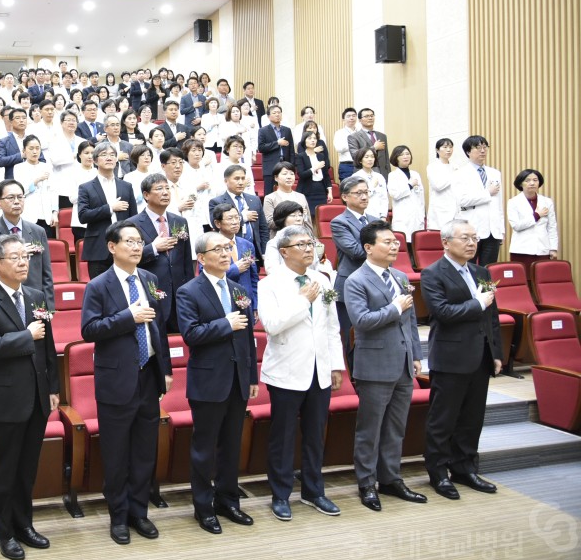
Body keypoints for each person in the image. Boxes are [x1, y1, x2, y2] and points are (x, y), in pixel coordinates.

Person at [81, 221, 172, 545]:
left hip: (148, 377)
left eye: (139, 241)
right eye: (129, 241)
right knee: (117, 454)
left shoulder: (149, 279)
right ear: (111, 247)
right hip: (116, 381)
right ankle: (118, 517)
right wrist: (126, 318)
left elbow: (157, 327)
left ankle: (139, 513)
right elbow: (89, 330)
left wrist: (165, 369)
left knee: (144, 452)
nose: (136, 247)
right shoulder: (99, 285)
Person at [0, 234, 59, 560]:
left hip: (37, 396)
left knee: (27, 468)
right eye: (16, 258)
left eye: (26, 257)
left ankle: (25, 525)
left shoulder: (36, 296)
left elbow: (48, 346)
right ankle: (4, 533)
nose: (24, 263)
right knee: (4, 470)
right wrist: (26, 335)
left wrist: (53, 389)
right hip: (7, 400)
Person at [258, 225, 345, 521]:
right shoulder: (270, 284)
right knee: (282, 437)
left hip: (319, 369)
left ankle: (313, 491)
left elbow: (332, 327)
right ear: (284, 252)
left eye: (311, 243)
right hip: (286, 370)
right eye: (302, 245)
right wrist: (302, 300)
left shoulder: (322, 279)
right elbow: (272, 324)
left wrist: (335, 365)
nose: (309, 249)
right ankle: (280, 495)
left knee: (314, 434)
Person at [177, 231, 258, 534]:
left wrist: (251, 376)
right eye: (218, 249)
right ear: (201, 258)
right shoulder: (189, 291)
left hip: (238, 380)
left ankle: (228, 500)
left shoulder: (238, 289)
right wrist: (225, 323)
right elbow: (191, 335)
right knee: (204, 448)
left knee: (231, 445)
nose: (226, 253)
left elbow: (248, 336)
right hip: (209, 381)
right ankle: (203, 506)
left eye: (228, 248)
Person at [344, 221, 428, 511]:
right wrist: (394, 309)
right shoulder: (356, 280)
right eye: (387, 242)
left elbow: (412, 321)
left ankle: (391, 479)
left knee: (396, 427)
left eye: (396, 242)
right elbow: (361, 321)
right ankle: (366, 483)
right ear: (368, 247)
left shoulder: (402, 276)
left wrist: (416, 354)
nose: (395, 246)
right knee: (370, 428)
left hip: (403, 362)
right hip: (375, 364)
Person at [420, 220, 503, 500]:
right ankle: (439, 472)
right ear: (446, 242)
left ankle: (465, 467)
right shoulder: (433, 274)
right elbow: (442, 312)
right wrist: (478, 302)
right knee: (443, 419)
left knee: (472, 418)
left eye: (475, 238)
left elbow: (492, 316)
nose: (471, 243)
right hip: (451, 357)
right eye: (464, 238)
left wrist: (497, 353)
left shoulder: (482, 271)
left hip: (480, 356)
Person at [0, 180, 55, 308]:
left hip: (33, 301)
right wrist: (8, 256)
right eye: (11, 197)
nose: (16, 201)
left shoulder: (38, 231)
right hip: (0, 303)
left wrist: (48, 307)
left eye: (20, 197)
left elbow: (46, 274)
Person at [129, 173, 194, 333]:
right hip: (151, 295)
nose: (165, 192)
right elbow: (128, 260)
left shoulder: (179, 221)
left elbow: (186, 261)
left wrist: (190, 292)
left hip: (179, 296)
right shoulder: (132, 224)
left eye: (167, 188)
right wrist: (153, 249)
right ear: (146, 195)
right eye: (159, 189)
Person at [331, 177, 379, 366]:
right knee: (351, 336)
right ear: (344, 196)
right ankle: (354, 375)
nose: (364, 197)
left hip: (375, 283)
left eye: (366, 192)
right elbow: (356, 251)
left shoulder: (376, 221)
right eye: (358, 193)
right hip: (350, 283)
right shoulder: (339, 222)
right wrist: (379, 249)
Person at [77, 142, 138, 278]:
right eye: (104, 155)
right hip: (98, 248)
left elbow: (133, 218)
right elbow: (83, 215)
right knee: (100, 293)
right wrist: (110, 208)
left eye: (112, 155)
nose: (109, 158)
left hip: (124, 246)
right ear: (95, 160)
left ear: (117, 159)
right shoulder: (86, 187)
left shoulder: (126, 186)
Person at [454, 135, 504, 266]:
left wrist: (501, 230)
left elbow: (499, 204)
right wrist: (487, 193)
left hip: (493, 231)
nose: (483, 150)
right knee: (468, 267)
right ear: (468, 152)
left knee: (488, 270)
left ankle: (486, 288)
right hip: (472, 228)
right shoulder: (460, 173)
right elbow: (463, 200)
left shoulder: (495, 173)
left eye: (485, 147)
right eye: (478, 147)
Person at [208, 165, 268, 263]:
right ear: (226, 181)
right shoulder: (217, 202)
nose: (240, 182)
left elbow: (263, 228)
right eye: (236, 179)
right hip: (230, 252)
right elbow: (216, 225)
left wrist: (264, 251)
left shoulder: (255, 200)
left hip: (254, 252)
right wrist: (242, 217)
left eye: (243, 178)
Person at [208, 204, 259, 312]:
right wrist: (235, 269)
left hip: (246, 302)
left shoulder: (247, 245)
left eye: (237, 217)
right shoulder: (209, 246)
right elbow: (208, 276)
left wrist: (255, 306)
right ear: (218, 223)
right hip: (223, 302)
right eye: (230, 218)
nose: (235, 222)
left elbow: (254, 278)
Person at [507, 169, 559, 271]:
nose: (532, 183)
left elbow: (552, 227)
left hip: (542, 249)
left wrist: (553, 248)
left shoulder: (547, 202)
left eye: (535, 180)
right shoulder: (513, 202)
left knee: (541, 281)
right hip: (521, 250)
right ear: (521, 183)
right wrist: (536, 215)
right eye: (527, 180)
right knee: (523, 281)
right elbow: (516, 226)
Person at [14, 135, 58, 237]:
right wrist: (36, 180)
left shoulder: (47, 167)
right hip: (28, 215)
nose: (35, 151)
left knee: (46, 248)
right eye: (31, 148)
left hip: (46, 216)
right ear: (24, 150)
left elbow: (53, 191)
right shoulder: (18, 168)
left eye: (37, 148)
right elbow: (19, 192)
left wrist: (54, 213)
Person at [387, 145, 425, 243]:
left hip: (417, 216)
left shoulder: (415, 174)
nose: (406, 156)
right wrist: (409, 185)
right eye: (402, 154)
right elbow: (394, 194)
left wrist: (422, 215)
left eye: (407, 154)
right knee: (404, 244)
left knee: (417, 244)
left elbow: (421, 197)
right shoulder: (393, 175)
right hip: (403, 217)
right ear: (396, 158)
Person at [263, 162, 312, 238]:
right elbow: (270, 224)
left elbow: (308, 222)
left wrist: (311, 238)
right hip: (280, 239)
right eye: (285, 174)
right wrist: (290, 215)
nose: (289, 177)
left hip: (301, 238)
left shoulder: (301, 197)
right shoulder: (270, 198)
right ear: (276, 177)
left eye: (292, 174)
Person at [294, 130, 333, 218]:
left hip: (320, 190)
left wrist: (329, 191)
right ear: (304, 141)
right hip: (307, 190)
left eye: (315, 138)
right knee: (307, 217)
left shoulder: (320, 156)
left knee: (320, 217)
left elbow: (326, 175)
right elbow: (301, 174)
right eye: (310, 138)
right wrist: (315, 167)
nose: (313, 140)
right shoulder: (300, 156)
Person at [257, 105, 294, 195]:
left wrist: (292, 166)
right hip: (270, 167)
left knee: (286, 192)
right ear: (269, 116)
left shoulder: (287, 130)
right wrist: (277, 143)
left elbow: (291, 150)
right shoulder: (263, 130)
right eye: (274, 113)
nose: (277, 114)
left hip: (285, 165)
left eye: (279, 112)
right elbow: (261, 147)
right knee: (269, 193)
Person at [68, 142, 98, 243]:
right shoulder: (73, 173)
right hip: (80, 222)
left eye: (92, 153)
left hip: (98, 219)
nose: (90, 156)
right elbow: (72, 198)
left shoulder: (99, 173)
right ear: (79, 154)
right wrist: (89, 194)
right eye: (86, 153)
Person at [348, 108, 390, 176]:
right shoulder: (353, 137)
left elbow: (386, 158)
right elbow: (355, 155)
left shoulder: (382, 136)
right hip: (364, 172)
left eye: (372, 116)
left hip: (383, 172)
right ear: (360, 120)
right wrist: (374, 148)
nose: (370, 118)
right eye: (366, 116)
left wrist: (388, 173)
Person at [350, 147, 390, 220]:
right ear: (360, 160)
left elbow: (384, 198)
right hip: (362, 215)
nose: (370, 159)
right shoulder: (356, 177)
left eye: (372, 156)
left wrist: (383, 216)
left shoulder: (379, 176)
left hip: (378, 216)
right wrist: (372, 187)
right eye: (366, 157)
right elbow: (358, 198)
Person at [427, 138, 457, 230]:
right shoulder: (432, 167)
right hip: (439, 208)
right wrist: (453, 175)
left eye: (450, 147)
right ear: (437, 150)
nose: (448, 150)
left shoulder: (455, 166)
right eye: (445, 147)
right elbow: (438, 186)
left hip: (454, 207)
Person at [123, 145, 155, 212]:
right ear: (136, 157)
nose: (146, 157)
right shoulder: (129, 177)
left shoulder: (155, 175)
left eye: (149, 155)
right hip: (138, 211)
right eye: (142, 155)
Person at [333, 107, 359, 181]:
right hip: (346, 165)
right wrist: (354, 144)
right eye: (348, 116)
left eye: (354, 116)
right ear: (343, 120)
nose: (351, 118)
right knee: (347, 189)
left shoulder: (360, 132)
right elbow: (339, 148)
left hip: (360, 164)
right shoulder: (339, 133)